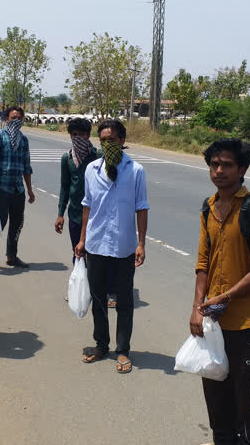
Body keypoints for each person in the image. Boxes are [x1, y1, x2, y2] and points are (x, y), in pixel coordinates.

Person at [191, 138, 250, 445]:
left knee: (248, 395)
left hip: (247, 324)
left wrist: (225, 297)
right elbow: (203, 263)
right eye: (214, 164)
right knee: (215, 389)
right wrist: (196, 308)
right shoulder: (208, 208)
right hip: (212, 322)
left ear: (242, 169)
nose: (218, 170)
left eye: (226, 164)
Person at [74, 120, 149, 374]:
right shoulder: (92, 169)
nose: (108, 144)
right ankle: (101, 344)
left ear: (122, 140)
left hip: (124, 247)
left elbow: (142, 208)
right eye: (103, 140)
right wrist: (82, 240)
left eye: (112, 139)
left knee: (125, 301)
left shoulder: (135, 170)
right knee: (98, 300)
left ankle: (123, 350)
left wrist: (141, 243)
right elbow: (87, 206)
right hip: (96, 244)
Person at [54, 118, 117, 306]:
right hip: (75, 214)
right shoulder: (67, 158)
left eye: (82, 135)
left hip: (97, 216)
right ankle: (81, 289)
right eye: (75, 135)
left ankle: (110, 291)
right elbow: (65, 187)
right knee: (78, 252)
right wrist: (60, 214)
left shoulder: (98, 155)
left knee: (103, 254)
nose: (78, 138)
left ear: (89, 135)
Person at [0, 106, 35, 268]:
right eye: (13, 118)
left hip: (18, 189)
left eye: (19, 118)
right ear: (6, 119)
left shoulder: (23, 140)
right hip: (1, 188)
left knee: (17, 223)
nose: (16, 121)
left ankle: (12, 256)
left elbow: (26, 167)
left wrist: (29, 190)